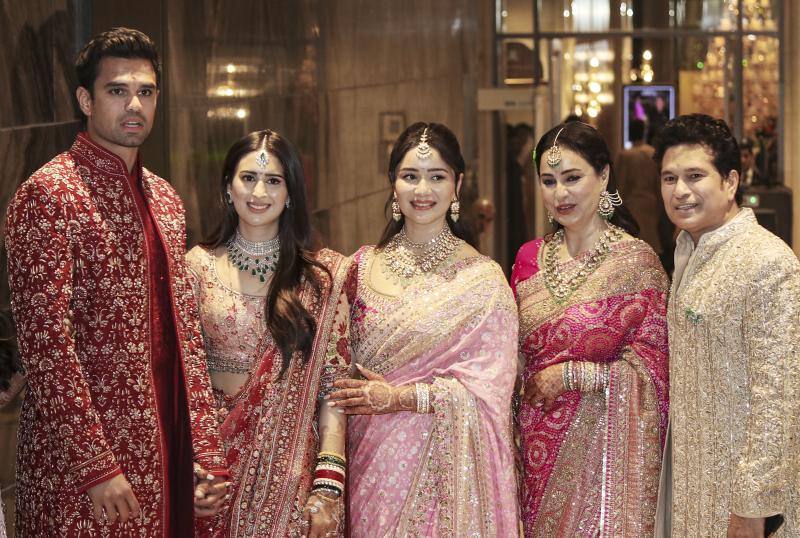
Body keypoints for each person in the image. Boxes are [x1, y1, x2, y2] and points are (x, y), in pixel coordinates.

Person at [4, 28, 228, 536]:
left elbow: (185, 336)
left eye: (146, 92)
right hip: (81, 471)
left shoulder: (164, 198)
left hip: (166, 444)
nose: (134, 105)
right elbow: (46, 345)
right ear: (85, 100)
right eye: (117, 91)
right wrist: (95, 466)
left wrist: (204, 453)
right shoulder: (49, 195)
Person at [327, 122, 519, 536]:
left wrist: (399, 397)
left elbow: (491, 394)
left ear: (458, 185)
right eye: (410, 176)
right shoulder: (359, 267)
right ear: (393, 183)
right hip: (369, 465)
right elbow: (333, 367)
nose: (422, 190)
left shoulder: (484, 282)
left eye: (437, 177)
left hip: (442, 477)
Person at [188, 130, 351, 537]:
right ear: (228, 188)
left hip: (290, 479)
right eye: (248, 178)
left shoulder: (322, 279)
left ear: (290, 193)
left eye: (273, 181)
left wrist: (328, 485)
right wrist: (191, 466)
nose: (259, 192)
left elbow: (333, 388)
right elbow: (180, 378)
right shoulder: (196, 268)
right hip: (211, 473)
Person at [512, 121, 669, 536]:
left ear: (603, 176)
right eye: (549, 181)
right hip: (534, 451)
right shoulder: (527, 258)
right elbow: (512, 356)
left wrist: (574, 375)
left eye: (572, 178)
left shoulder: (637, 264)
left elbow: (655, 374)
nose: (560, 194)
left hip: (605, 464)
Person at [654, 114, 799, 537]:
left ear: (731, 182)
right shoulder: (689, 251)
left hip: (748, 502)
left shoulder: (767, 262)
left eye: (695, 176)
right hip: (695, 484)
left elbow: (780, 396)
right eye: (669, 178)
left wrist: (753, 506)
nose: (680, 191)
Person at [616, 118, 666, 257]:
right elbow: (659, 183)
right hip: (651, 203)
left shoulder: (625, 155)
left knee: (633, 244)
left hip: (631, 204)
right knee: (651, 242)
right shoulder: (652, 153)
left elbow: (620, 184)